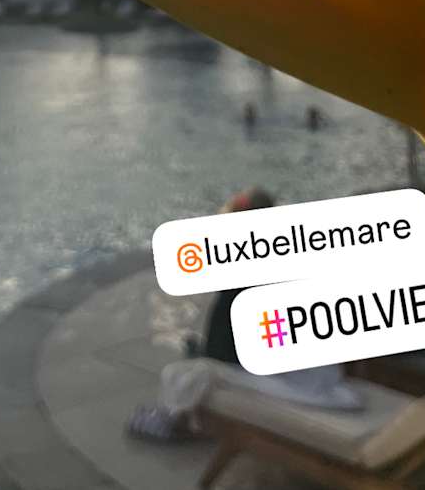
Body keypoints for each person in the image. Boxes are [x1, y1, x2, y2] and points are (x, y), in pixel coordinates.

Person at [127, 189, 363, 443]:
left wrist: (205, 354)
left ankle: (178, 422)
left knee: (184, 373)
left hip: (291, 380)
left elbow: (223, 351)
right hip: (320, 370)